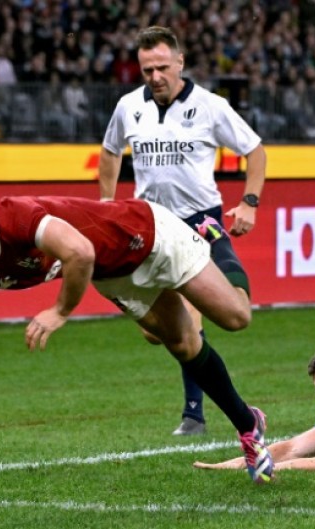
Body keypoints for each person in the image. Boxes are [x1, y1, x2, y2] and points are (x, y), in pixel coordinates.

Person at [0, 185, 275, 484]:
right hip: (115, 274)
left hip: (149, 235)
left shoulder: (13, 216)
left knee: (236, 317)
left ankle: (215, 238)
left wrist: (59, 311)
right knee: (180, 344)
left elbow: (80, 252)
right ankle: (248, 425)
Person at [98, 26, 266, 436]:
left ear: (180, 63)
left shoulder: (210, 106)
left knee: (203, 314)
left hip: (200, 221)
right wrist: (106, 205)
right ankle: (199, 410)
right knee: (155, 333)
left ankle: (194, 414)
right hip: (150, 227)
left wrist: (250, 202)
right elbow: (109, 152)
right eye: (146, 70)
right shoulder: (128, 107)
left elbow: (255, 151)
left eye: (161, 68)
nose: (155, 77)